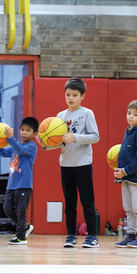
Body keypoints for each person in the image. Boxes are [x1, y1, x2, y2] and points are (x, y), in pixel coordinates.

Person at [39, 78, 100, 248]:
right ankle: (71, 235)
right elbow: (61, 142)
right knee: (70, 203)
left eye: (74, 95)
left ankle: (92, 237)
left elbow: (95, 137)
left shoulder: (87, 113)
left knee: (87, 201)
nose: (70, 98)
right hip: (66, 165)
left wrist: (76, 137)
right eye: (68, 95)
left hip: (83, 165)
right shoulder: (60, 116)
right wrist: (45, 145)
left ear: (82, 96)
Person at [113, 99, 137, 248]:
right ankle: (131, 235)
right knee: (128, 208)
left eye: (135, 114)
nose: (131, 116)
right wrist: (119, 169)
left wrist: (126, 170)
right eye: (129, 113)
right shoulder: (128, 130)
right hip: (125, 176)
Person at [0, 117, 39, 245]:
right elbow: (4, 152)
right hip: (11, 185)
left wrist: (10, 139)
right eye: (22, 129)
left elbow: (21, 150)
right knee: (7, 209)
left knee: (21, 211)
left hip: (24, 185)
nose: (24, 132)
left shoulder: (31, 146)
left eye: (28, 130)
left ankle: (21, 237)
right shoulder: (16, 146)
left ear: (35, 134)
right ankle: (25, 227)